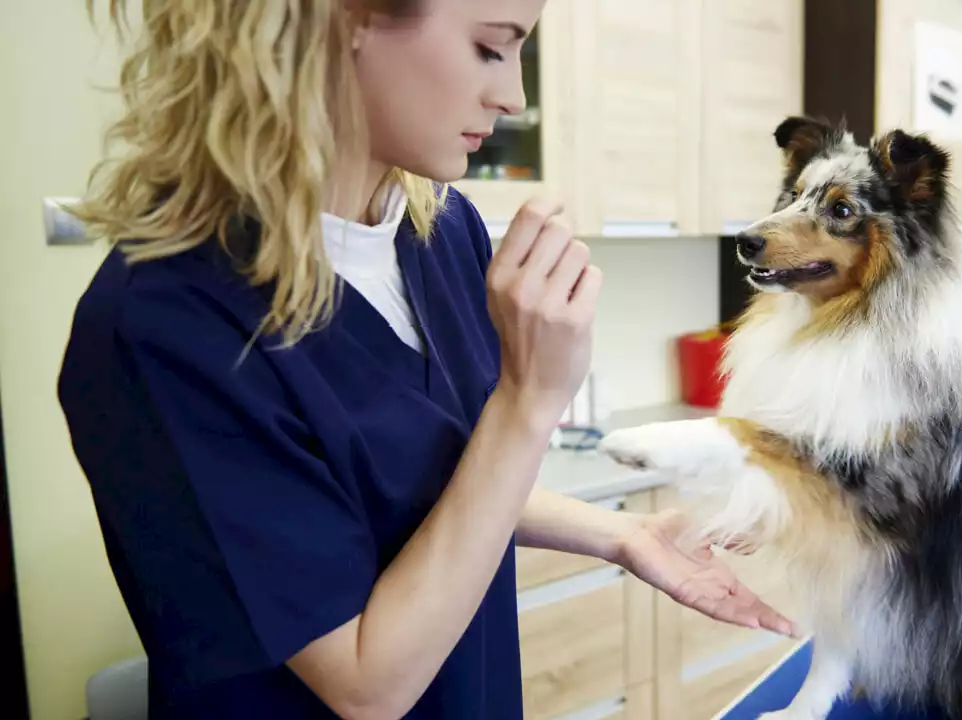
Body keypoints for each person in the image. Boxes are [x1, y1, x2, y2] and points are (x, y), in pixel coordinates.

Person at [56, 1, 795, 718]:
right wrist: (530, 400)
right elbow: (365, 686)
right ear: (344, 19)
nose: (513, 95)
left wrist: (621, 534)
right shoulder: (166, 324)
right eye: (491, 46)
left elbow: (422, 487)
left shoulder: (440, 232)